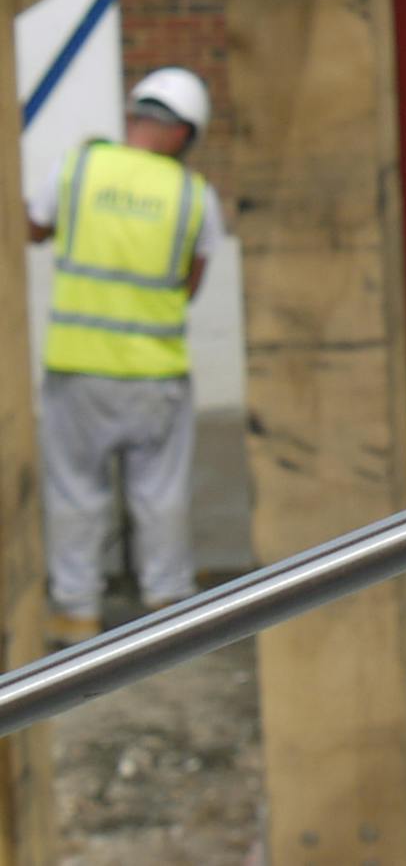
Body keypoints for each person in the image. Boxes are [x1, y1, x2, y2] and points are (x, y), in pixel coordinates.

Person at [25, 69, 224, 643]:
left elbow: (33, 227)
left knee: (74, 495)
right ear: (186, 134)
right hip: (154, 375)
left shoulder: (78, 167)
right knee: (160, 497)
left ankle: (77, 613)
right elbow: (191, 282)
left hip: (77, 369)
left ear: (135, 113)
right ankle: (166, 608)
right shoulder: (193, 195)